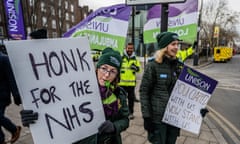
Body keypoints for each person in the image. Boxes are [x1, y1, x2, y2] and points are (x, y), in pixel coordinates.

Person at [20, 47, 129, 144]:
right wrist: (35, 119)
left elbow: (125, 120)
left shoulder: (119, 94)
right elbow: (56, 111)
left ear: (117, 75)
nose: (106, 75)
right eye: (104, 68)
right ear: (97, 68)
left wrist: (114, 127)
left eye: (113, 71)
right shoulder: (77, 88)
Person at [139, 32, 208, 144]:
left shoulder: (180, 66)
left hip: (174, 119)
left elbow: (187, 93)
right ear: (164, 47)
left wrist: (198, 110)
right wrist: (147, 117)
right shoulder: (153, 66)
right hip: (158, 119)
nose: (176, 47)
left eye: (177, 44)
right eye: (173, 44)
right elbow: (144, 92)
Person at [0, 49, 22, 144]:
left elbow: (11, 78)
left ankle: (14, 129)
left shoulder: (4, 59)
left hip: (2, 96)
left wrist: (16, 95)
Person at [118, 42, 141, 120]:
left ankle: (131, 113)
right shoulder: (121, 58)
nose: (130, 50)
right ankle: (122, 113)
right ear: (126, 48)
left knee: (131, 100)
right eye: (129, 48)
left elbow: (139, 70)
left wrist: (136, 68)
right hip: (121, 83)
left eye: (131, 48)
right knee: (121, 100)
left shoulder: (135, 59)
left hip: (131, 84)